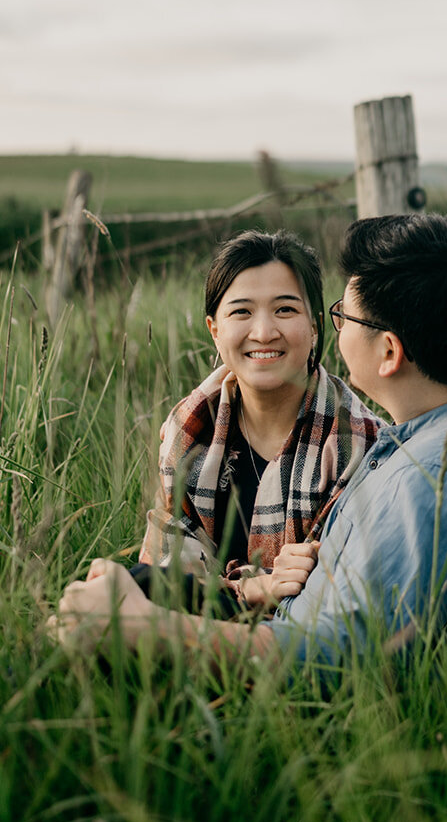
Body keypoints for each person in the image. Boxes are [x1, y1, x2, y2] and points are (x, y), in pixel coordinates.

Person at [53, 213, 447, 689]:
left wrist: (151, 629)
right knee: (113, 587)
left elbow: (335, 658)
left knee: (109, 624)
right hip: (269, 620)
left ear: (389, 352)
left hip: (299, 681)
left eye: (341, 316)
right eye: (242, 311)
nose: (265, 331)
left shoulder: (429, 481)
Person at [133, 229, 380, 612]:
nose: (264, 333)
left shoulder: (358, 443)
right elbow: (165, 564)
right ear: (215, 330)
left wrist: (222, 589)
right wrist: (250, 587)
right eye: (241, 312)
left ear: (314, 325)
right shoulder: (189, 427)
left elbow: (321, 591)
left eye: (285, 309)